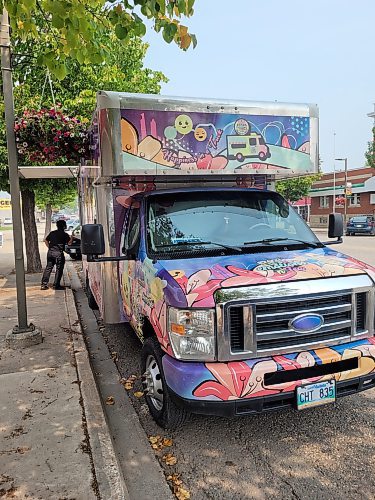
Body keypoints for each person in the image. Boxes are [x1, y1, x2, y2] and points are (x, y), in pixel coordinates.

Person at [41, 219, 72, 290]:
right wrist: (72, 237)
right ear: (64, 226)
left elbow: (45, 240)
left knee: (48, 268)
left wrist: (50, 247)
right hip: (58, 254)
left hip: (50, 253)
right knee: (59, 269)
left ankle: (44, 284)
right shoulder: (64, 234)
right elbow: (69, 243)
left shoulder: (52, 233)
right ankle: (56, 285)